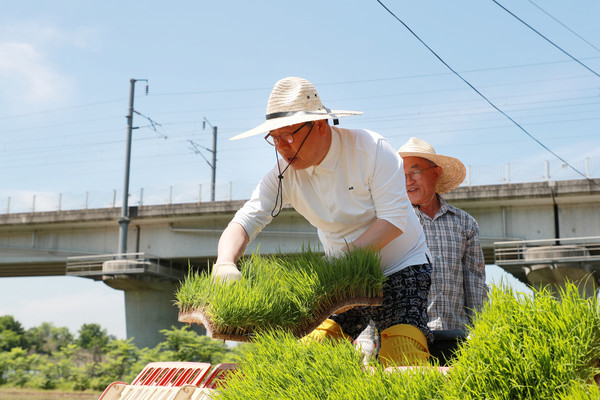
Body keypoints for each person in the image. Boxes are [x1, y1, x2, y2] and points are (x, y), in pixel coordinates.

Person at [212, 77, 432, 366]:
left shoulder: (372, 149)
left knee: (402, 354)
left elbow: (393, 220)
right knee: (312, 354)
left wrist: (342, 259)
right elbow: (246, 219)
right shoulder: (283, 175)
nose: (281, 146)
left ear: (319, 125)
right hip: (341, 277)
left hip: (401, 266)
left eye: (288, 135)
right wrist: (225, 262)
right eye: (274, 138)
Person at [397, 137, 487, 333]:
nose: (408, 181)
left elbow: (475, 285)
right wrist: (367, 340)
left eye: (415, 171)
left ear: (436, 173)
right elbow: (375, 285)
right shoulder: (394, 223)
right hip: (406, 340)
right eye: (402, 175)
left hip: (455, 336)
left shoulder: (464, 223)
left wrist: (482, 335)